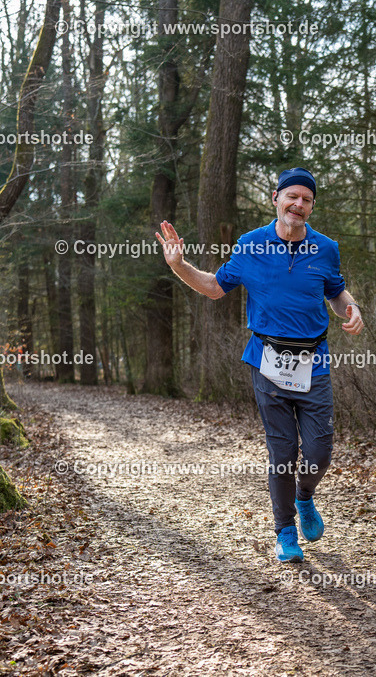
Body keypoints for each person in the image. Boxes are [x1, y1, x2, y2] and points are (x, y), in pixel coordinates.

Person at [155, 167, 363, 563]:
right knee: (282, 452)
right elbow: (215, 287)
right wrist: (179, 266)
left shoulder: (326, 249)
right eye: (292, 197)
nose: (298, 205)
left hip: (314, 362)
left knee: (320, 452)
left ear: (311, 207)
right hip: (267, 363)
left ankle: (304, 497)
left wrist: (351, 309)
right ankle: (285, 531)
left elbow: (336, 293)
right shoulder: (251, 245)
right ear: (276, 198)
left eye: (307, 200)